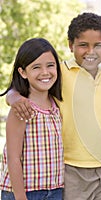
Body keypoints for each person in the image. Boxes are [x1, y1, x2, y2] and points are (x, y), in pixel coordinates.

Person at [5, 13, 101, 200]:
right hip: (71, 168)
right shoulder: (60, 73)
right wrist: (13, 97)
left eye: (98, 45)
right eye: (83, 45)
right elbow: (23, 87)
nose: (91, 51)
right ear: (70, 45)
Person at [0, 38, 64, 199]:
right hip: (24, 192)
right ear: (23, 72)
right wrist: (21, 197)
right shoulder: (21, 108)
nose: (45, 72)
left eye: (50, 65)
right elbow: (13, 158)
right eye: (36, 67)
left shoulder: (56, 105)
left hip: (55, 190)